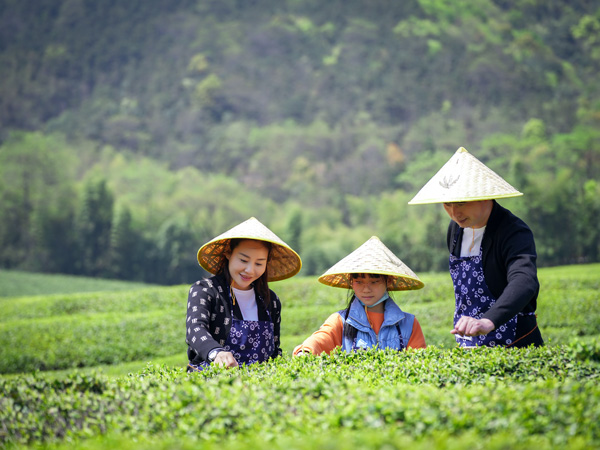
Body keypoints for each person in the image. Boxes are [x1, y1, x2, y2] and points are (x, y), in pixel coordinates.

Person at [408, 147, 544, 348]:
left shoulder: (513, 231)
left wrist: (489, 320)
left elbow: (524, 281)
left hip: (514, 341)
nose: (454, 213)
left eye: (461, 203)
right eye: (448, 204)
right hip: (469, 341)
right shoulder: (455, 229)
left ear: (484, 195)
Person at [186, 217, 302, 371]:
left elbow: (274, 351)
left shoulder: (270, 301)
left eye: (259, 263)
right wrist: (216, 353)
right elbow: (195, 329)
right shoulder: (205, 290)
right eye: (243, 260)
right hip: (212, 383)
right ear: (228, 254)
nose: (250, 270)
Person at [293, 236, 426, 356]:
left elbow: (420, 363)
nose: (366, 289)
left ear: (388, 282)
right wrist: (304, 352)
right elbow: (319, 340)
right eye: (359, 282)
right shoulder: (341, 322)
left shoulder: (408, 323)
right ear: (351, 283)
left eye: (374, 282)